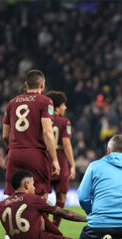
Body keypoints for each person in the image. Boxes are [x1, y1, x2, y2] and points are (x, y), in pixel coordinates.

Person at [2, 69, 60, 239]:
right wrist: (55, 159)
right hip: (35, 152)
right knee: (41, 195)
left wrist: (14, 147)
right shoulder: (45, 101)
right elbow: (47, 132)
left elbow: (5, 134)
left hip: (14, 152)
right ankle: (41, 235)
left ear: (26, 84)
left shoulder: (12, 103)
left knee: (14, 197)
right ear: (42, 85)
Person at [0, 170, 85, 239]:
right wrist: (88, 219)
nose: (34, 188)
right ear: (27, 184)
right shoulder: (34, 199)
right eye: (33, 184)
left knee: (39, 215)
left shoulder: (1, 204)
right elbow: (65, 213)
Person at [45, 91, 76, 227]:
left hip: (45, 159)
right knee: (61, 196)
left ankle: (43, 226)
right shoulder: (65, 122)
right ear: (56, 107)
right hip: (61, 160)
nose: (66, 108)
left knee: (42, 196)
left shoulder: (43, 120)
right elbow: (66, 144)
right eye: (63, 105)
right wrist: (73, 165)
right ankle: (54, 227)